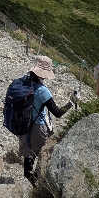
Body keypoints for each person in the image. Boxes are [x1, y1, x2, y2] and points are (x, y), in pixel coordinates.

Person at [17, 55, 76, 183]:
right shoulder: (43, 91)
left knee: (29, 155)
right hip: (38, 127)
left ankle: (30, 178)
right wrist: (71, 103)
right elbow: (57, 113)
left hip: (25, 124)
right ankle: (39, 183)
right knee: (44, 155)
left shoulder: (23, 82)